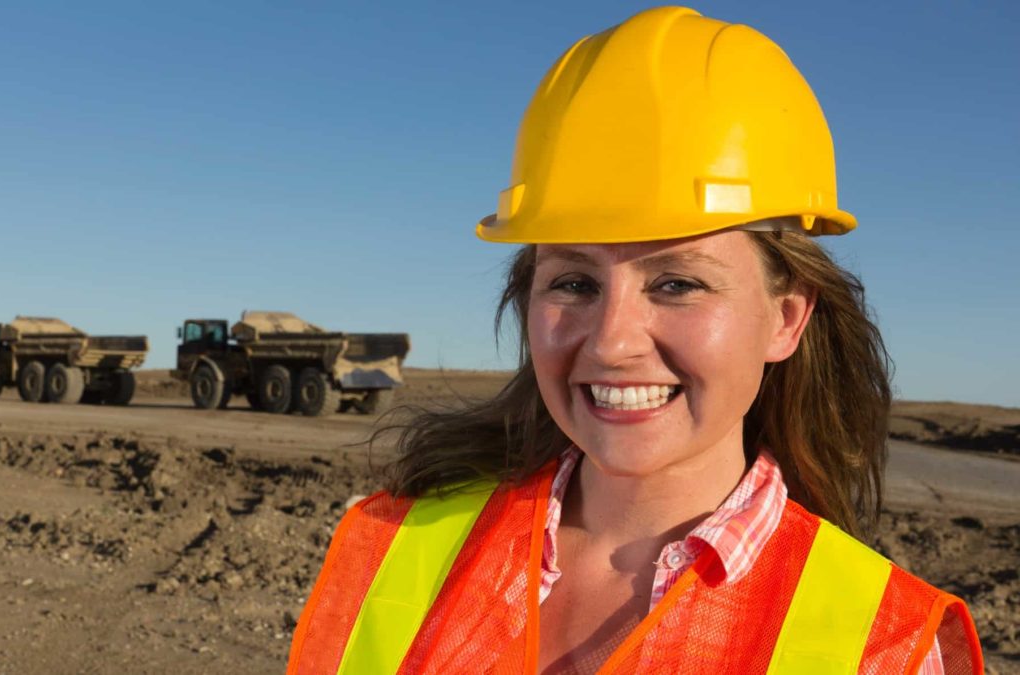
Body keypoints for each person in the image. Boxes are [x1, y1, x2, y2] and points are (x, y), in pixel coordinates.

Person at [288, 6, 983, 674]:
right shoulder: (394, 550)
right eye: (574, 283)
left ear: (786, 318)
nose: (612, 342)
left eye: (678, 282)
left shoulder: (883, 647)